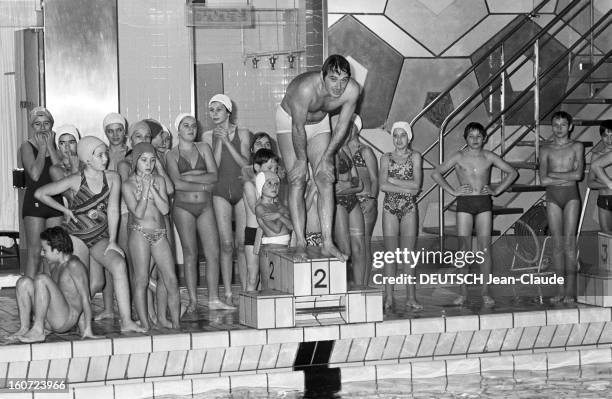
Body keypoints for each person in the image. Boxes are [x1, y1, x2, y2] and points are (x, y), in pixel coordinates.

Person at [34, 136, 143, 332]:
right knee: (85, 280)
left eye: (105, 154)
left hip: (100, 237)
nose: (105, 159)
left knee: (117, 265)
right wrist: (65, 210)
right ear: (87, 159)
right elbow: (40, 193)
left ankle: (126, 321)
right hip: (77, 238)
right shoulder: (76, 180)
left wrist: (112, 241)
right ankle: (68, 317)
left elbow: (112, 210)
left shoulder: (113, 177)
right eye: (100, 155)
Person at [276, 54, 361, 260]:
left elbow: (342, 126)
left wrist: (327, 157)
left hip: (321, 124)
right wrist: (301, 160)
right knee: (297, 179)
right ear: (323, 76)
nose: (339, 86)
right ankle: (300, 242)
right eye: (333, 79)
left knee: (325, 178)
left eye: (343, 79)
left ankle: (328, 243)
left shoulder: (353, 90)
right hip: (290, 123)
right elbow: (297, 127)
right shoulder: (304, 89)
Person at [432, 122, 518, 307]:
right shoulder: (459, 156)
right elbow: (436, 173)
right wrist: (453, 191)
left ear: (484, 138)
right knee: (464, 251)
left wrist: (496, 190)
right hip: (465, 203)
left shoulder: (488, 156)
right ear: (466, 139)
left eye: (479, 136)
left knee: (484, 249)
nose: (475, 140)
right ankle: (463, 293)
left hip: (484, 203)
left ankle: (485, 292)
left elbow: (512, 172)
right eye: (471, 136)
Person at [166, 114, 234, 310]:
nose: (190, 128)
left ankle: (213, 299)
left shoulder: (204, 148)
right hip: (183, 208)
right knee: (190, 254)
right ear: (178, 130)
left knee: (213, 252)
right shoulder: (171, 155)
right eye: (186, 126)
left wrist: (189, 177)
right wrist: (202, 182)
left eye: (193, 126)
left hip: (205, 207)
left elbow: (214, 176)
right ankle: (194, 301)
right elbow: (176, 184)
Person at [122, 143, 180, 329]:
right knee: (142, 279)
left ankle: (176, 324)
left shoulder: (160, 180)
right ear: (136, 161)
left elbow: (164, 209)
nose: (149, 164)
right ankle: (145, 324)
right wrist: (145, 191)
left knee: (170, 279)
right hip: (140, 233)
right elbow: (138, 213)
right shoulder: (128, 184)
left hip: (159, 233)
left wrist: (153, 187)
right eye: (144, 160)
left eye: (153, 160)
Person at [10, 226, 98, 343]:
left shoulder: (74, 265)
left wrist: (87, 329)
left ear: (57, 250)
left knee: (42, 279)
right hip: (50, 319)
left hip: (64, 320)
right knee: (23, 282)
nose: (42, 253)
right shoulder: (50, 263)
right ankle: (24, 328)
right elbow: (43, 293)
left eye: (45, 250)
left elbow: (85, 298)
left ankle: (38, 330)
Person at [202, 94, 251, 304]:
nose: (214, 114)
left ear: (228, 111)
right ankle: (229, 293)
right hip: (220, 191)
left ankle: (245, 290)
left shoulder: (244, 133)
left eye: (218, 109)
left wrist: (228, 141)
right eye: (211, 110)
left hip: (241, 190)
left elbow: (246, 164)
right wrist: (220, 141)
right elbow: (214, 166)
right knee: (226, 244)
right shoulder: (206, 136)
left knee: (241, 245)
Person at [540, 111, 584, 303]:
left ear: (570, 126)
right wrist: (567, 175)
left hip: (571, 196)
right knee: (557, 245)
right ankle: (560, 289)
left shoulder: (577, 146)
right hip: (553, 197)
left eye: (563, 125)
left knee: (569, 244)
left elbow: (578, 175)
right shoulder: (545, 149)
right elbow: (543, 179)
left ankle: (571, 291)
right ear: (552, 126)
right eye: (555, 125)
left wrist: (554, 176)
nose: (559, 129)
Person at [379, 122, 423, 311]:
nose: (398, 139)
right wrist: (406, 186)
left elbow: (416, 188)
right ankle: (388, 296)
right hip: (390, 207)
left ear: (409, 137)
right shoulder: (385, 158)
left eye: (402, 135)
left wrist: (392, 179)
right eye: (395, 136)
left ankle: (410, 297)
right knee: (390, 256)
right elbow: (382, 186)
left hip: (408, 209)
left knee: (408, 256)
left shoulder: (415, 157)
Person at [20, 107, 63, 278]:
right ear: (32, 126)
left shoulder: (56, 147)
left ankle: (50, 295)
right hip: (34, 205)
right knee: (35, 253)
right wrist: (43, 149)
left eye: (46, 124)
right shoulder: (26, 146)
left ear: (52, 126)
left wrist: (50, 147)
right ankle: (28, 295)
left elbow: (61, 174)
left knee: (53, 253)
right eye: (38, 124)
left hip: (55, 203)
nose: (42, 128)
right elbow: (35, 174)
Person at [344, 114, 378, 279]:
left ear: (357, 129)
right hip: (347, 202)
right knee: (351, 247)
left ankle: (363, 285)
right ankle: (355, 284)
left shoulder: (365, 151)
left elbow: (374, 179)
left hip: (364, 201)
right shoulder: (341, 151)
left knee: (363, 245)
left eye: (350, 126)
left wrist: (372, 199)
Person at [242, 149, 280, 291]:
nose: (273, 171)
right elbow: (255, 209)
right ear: (257, 167)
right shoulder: (249, 185)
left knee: (270, 276)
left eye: (275, 168)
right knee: (253, 276)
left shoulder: (275, 187)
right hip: (255, 233)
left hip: (271, 233)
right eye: (269, 168)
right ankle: (248, 309)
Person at [334, 144, 366, 287]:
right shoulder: (326, 148)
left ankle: (359, 289)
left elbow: (357, 181)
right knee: (345, 250)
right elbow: (333, 188)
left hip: (352, 200)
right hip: (337, 203)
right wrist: (352, 186)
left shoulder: (345, 147)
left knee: (358, 248)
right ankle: (343, 289)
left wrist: (347, 185)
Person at [255, 171, 293, 249]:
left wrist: (279, 215)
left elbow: (292, 226)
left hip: (285, 245)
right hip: (272, 246)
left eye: (276, 184)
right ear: (260, 186)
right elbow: (276, 229)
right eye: (269, 183)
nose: (274, 187)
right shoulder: (260, 208)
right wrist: (280, 214)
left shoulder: (278, 205)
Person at [588, 120, 612, 233]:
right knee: (606, 237)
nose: (609, 140)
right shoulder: (596, 155)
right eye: (605, 136)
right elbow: (590, 182)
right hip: (605, 199)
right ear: (601, 137)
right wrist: (607, 184)